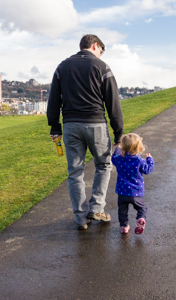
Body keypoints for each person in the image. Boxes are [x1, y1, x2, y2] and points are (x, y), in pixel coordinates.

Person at [47, 34, 124, 230]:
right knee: (103, 166)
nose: (100, 55)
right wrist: (118, 133)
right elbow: (113, 102)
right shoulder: (102, 67)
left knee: (75, 172)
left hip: (71, 125)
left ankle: (81, 218)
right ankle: (97, 208)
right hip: (96, 124)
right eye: (101, 51)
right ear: (95, 46)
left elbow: (54, 99)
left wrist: (55, 126)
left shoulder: (62, 67)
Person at [111, 133, 154, 234]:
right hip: (136, 193)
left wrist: (118, 148)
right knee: (141, 208)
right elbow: (147, 170)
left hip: (122, 192)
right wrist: (150, 160)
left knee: (122, 211)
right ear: (138, 147)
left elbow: (113, 158)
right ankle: (140, 219)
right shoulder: (139, 160)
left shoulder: (119, 159)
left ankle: (124, 226)